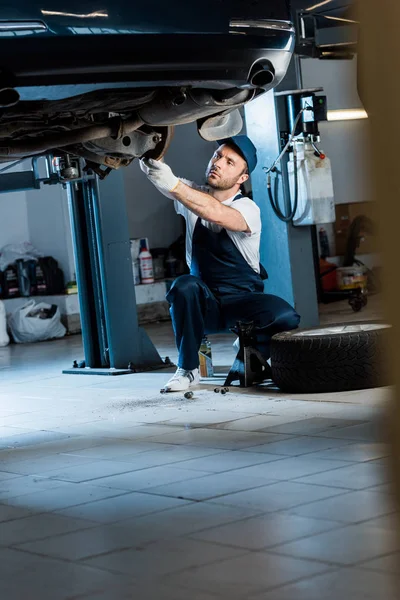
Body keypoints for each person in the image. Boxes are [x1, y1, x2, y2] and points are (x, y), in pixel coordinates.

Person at [140, 135, 300, 391]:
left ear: (242, 178)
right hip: (204, 304)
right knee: (184, 285)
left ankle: (250, 345)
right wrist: (144, 148)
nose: (218, 163)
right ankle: (188, 370)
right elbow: (157, 173)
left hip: (241, 303)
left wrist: (175, 187)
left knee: (286, 316)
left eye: (229, 162)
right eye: (217, 156)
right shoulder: (191, 195)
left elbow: (216, 213)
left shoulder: (248, 208)